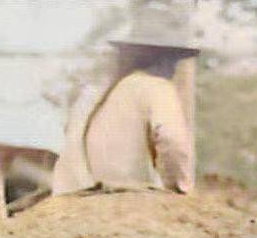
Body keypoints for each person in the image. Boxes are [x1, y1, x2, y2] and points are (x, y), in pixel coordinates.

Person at [51, 29, 197, 196]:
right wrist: (179, 190)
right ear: (164, 60)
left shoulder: (96, 94)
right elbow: (172, 142)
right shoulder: (156, 87)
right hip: (128, 201)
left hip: (73, 200)